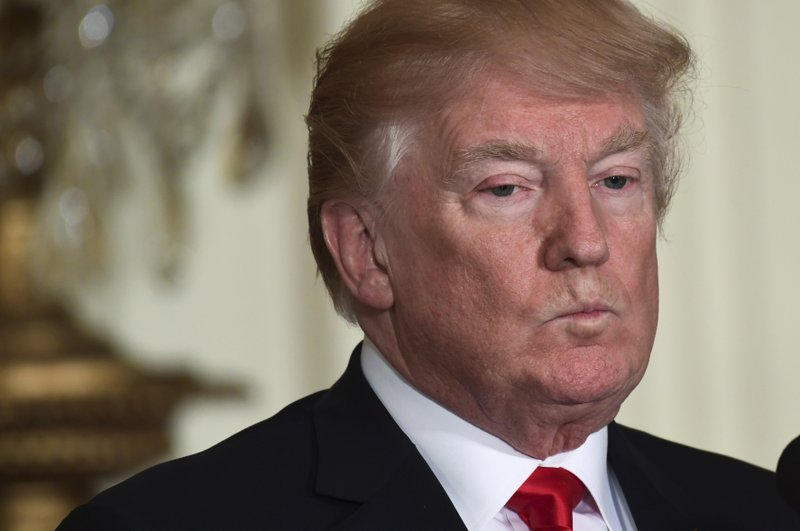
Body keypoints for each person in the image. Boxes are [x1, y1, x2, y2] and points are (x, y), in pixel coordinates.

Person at [58, 0, 800, 529]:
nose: (586, 239)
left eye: (616, 180)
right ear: (366, 251)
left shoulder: (762, 509)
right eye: (507, 188)